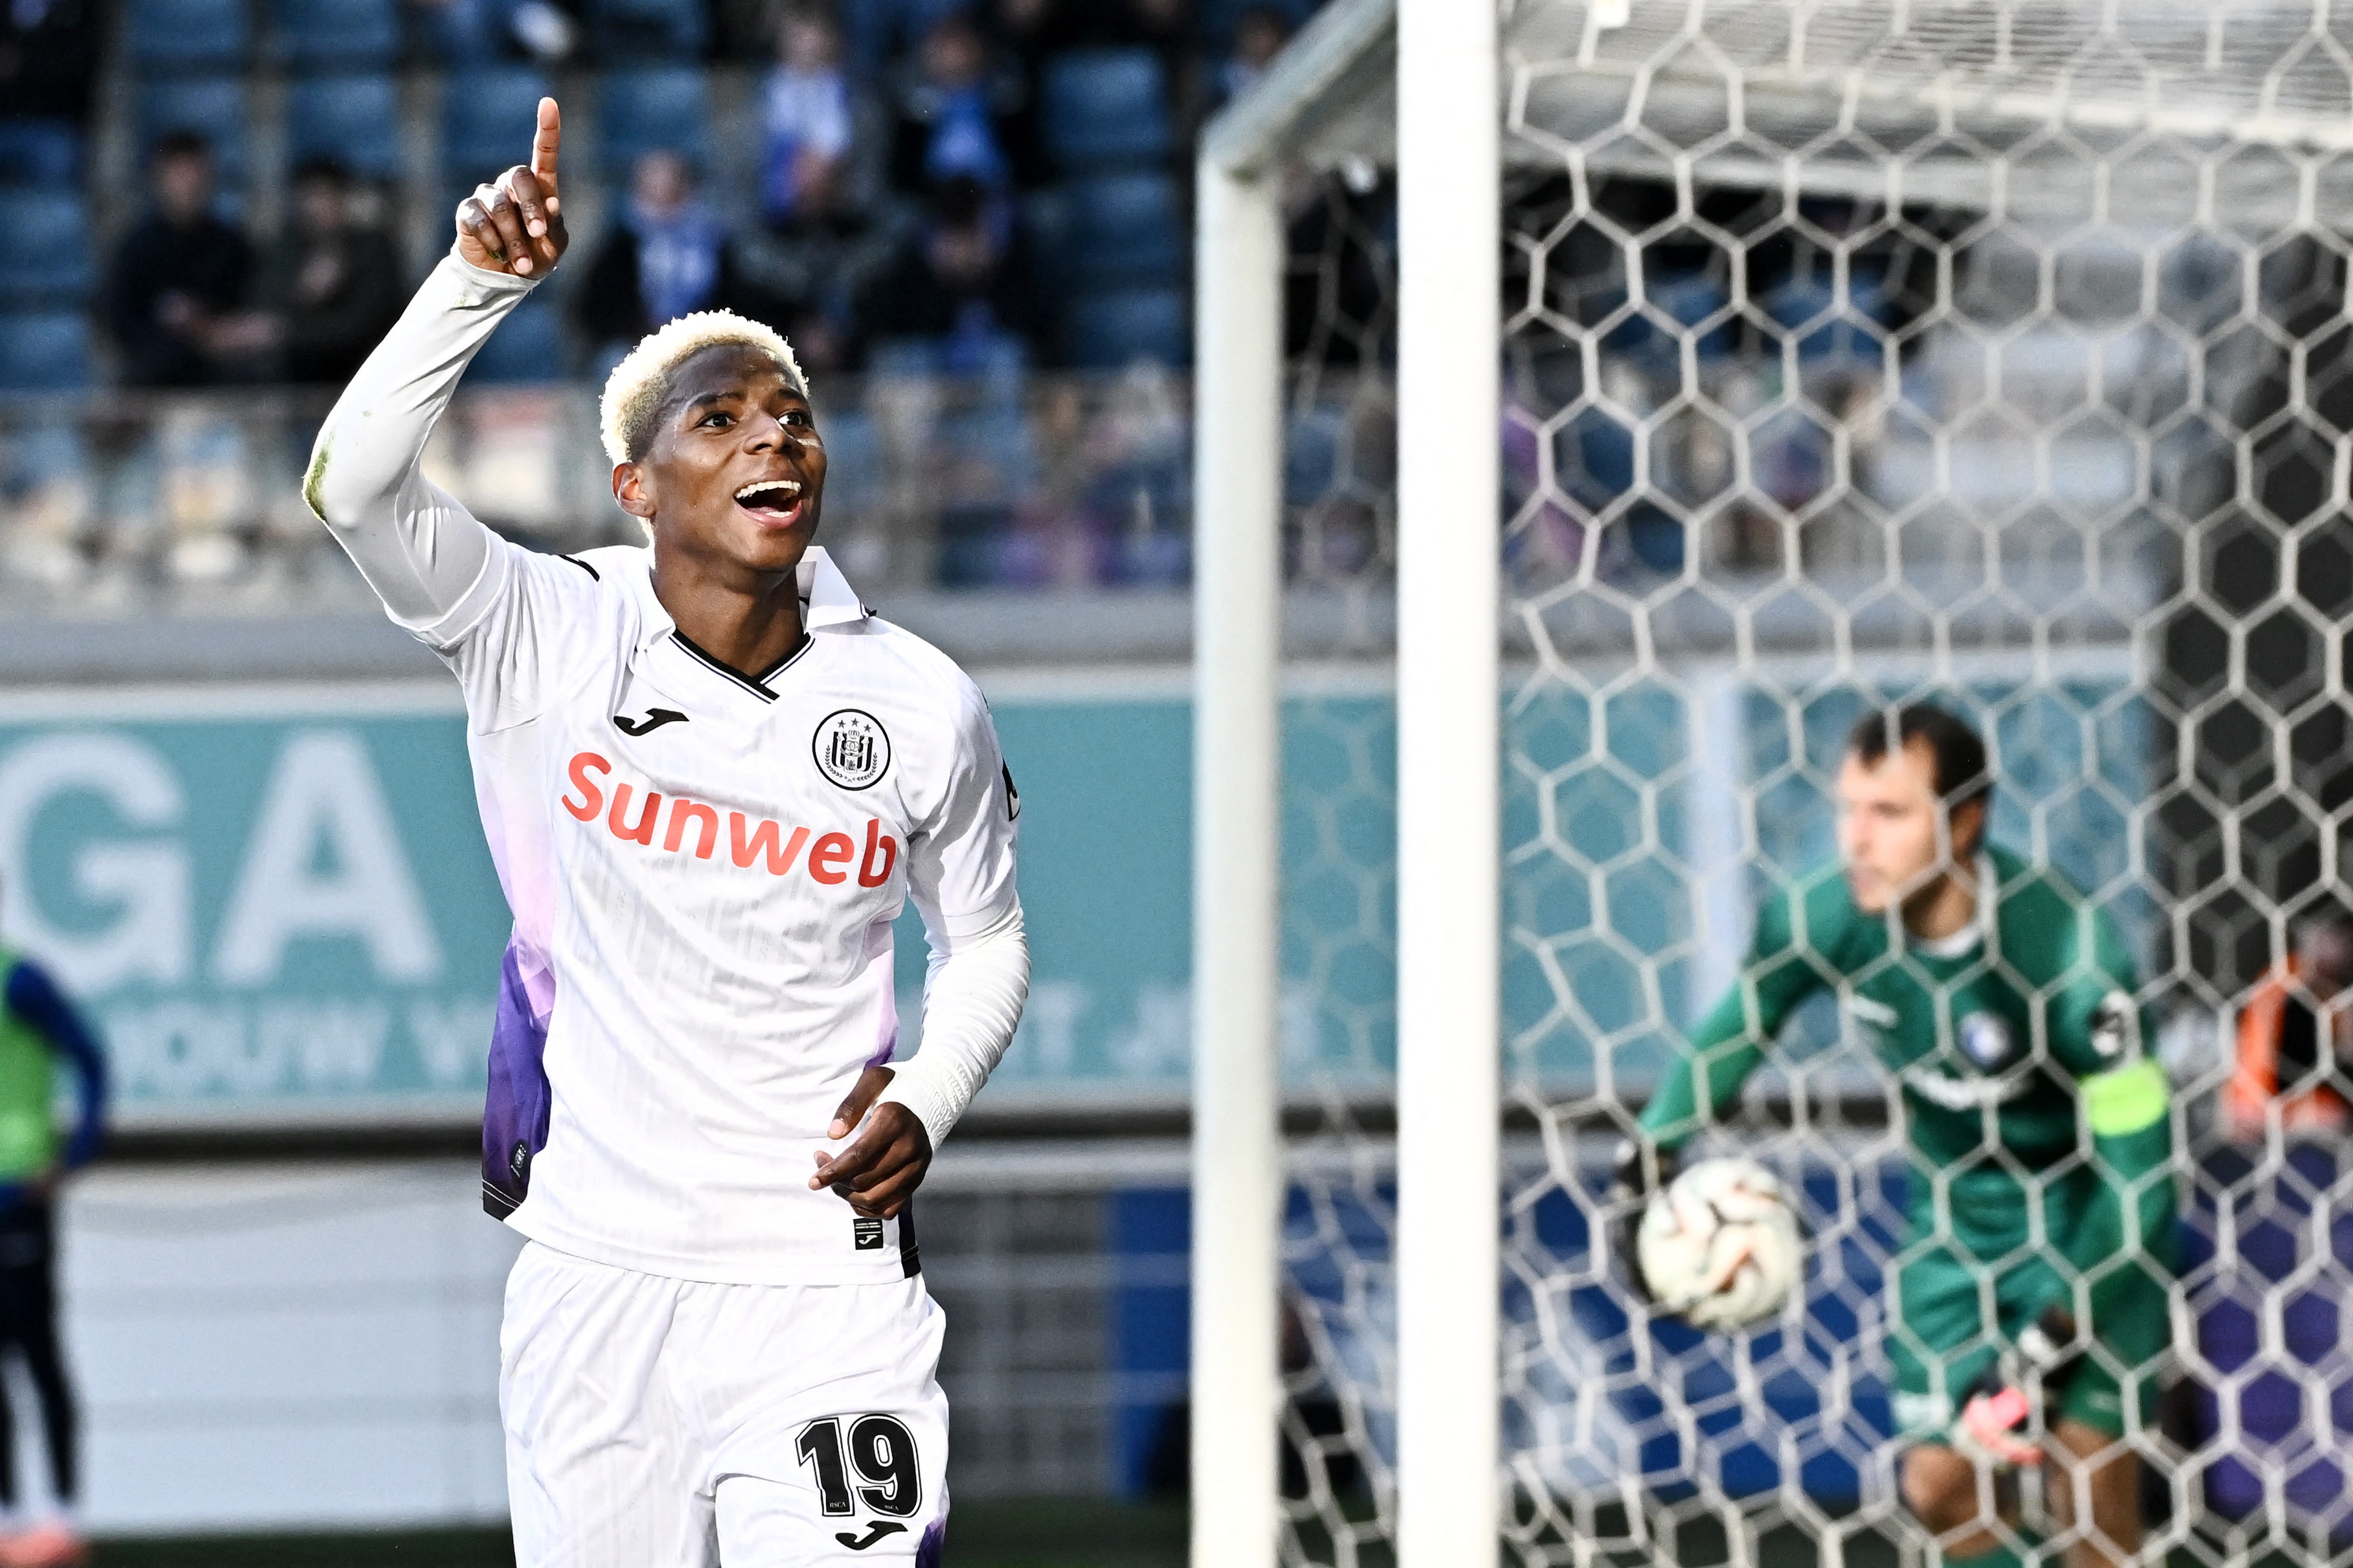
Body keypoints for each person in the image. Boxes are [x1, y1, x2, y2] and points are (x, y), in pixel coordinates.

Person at [305, 101, 1028, 1565]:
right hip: (597, 1278)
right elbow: (352, 485)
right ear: (635, 487)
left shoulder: (918, 701)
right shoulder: (542, 629)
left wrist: (927, 1098)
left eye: (792, 414)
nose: (774, 430)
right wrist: (474, 285)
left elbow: (987, 938)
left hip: (825, 1290)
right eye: (721, 415)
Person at [1617, 703, 2175, 1568]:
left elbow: (2141, 1176)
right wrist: (1650, 1151)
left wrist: (2053, 1334)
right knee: (1941, 1488)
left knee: (2088, 1493)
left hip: (2090, 1230)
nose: (1858, 841)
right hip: (1955, 1228)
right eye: (1849, 809)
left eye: (1890, 814)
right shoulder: (1824, 914)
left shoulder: (2072, 952)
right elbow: (1749, 1017)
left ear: (1966, 820)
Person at [0, 903, 108, 1568]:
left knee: (37, 1353)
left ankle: (63, 1515)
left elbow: (91, 1060)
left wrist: (72, 1156)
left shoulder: (19, 980)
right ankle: (9, 1519)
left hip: (18, 1201)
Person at [576, 150, 763, 370]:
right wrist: (639, 330)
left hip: (705, 343)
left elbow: (736, 299)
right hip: (634, 345)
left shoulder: (712, 240)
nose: (663, 194)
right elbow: (595, 305)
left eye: (670, 185)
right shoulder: (621, 243)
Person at [102, 131, 256, 388]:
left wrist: (213, 329)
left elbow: (247, 311)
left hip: (225, 372)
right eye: (179, 174)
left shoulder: (231, 245)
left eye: (196, 173)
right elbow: (123, 323)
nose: (189, 184)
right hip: (158, 376)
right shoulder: (136, 248)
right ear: (158, 179)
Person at [255, 157, 406, 387]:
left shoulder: (372, 248)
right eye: (309, 198)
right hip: (301, 373)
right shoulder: (290, 247)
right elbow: (266, 312)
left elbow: (364, 326)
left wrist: (296, 327)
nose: (317, 207)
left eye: (326, 196)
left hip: (366, 370)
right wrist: (305, 294)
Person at [865, 174, 1037, 372]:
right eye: (956, 233)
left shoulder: (1011, 257)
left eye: (970, 232)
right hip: (933, 359)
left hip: (989, 358)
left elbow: (1029, 326)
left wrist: (987, 276)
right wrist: (942, 279)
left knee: (1006, 357)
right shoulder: (915, 261)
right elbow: (903, 325)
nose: (964, 246)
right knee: (911, 359)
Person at [2225, 904, 2353, 1142]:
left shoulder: (2326, 990)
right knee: (2334, 1118)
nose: (2343, 951)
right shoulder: (2287, 986)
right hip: (2262, 1108)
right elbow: (2265, 1061)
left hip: (2287, 1100)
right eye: (2338, 940)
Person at [0, 0, 100, 188]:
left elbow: (79, 64)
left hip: (52, 124)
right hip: (4, 116)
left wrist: (20, 64)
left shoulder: (77, 7)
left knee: (56, 156)